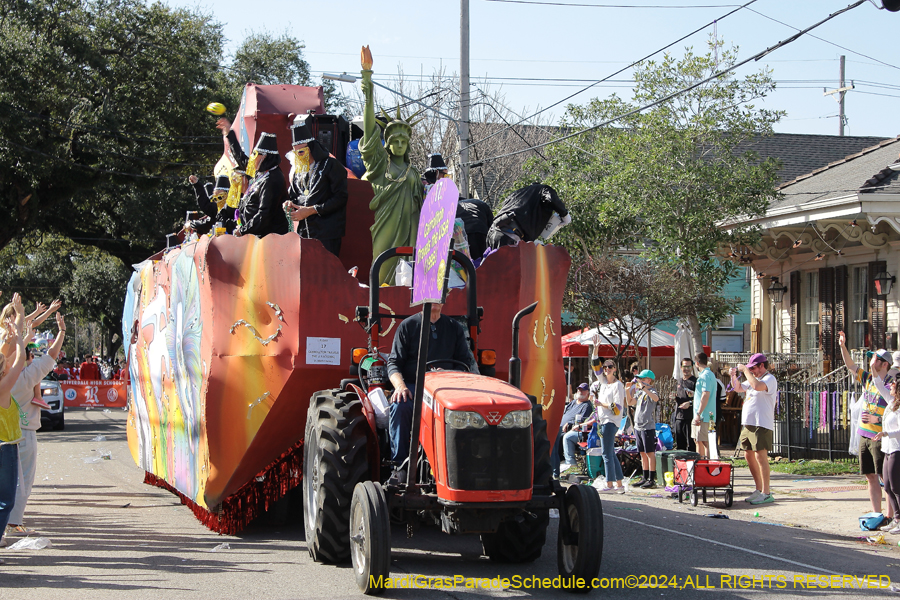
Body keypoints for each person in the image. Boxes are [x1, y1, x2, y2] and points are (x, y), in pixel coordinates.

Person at [386, 304, 476, 475]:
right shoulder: (408, 326)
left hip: (447, 388)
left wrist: (448, 373)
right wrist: (400, 386)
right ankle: (399, 467)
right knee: (401, 405)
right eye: (431, 294)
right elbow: (393, 363)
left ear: (444, 300)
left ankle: (461, 466)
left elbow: (465, 364)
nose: (435, 300)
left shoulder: (453, 327)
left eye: (439, 295)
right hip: (414, 386)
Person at [360, 58, 424, 285]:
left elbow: (422, 206)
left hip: (412, 230)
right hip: (386, 226)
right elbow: (369, 132)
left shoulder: (414, 173)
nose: (399, 145)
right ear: (386, 143)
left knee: (407, 276)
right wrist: (367, 83)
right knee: (382, 268)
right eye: (394, 141)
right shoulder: (380, 166)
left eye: (403, 142)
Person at [6, 313, 65, 538]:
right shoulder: (27, 376)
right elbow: (51, 356)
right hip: (25, 432)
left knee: (7, 478)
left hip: (5, 433)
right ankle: (13, 522)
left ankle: (7, 521)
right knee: (24, 479)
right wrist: (61, 332)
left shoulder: (4, 379)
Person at [839, 332, 894, 520]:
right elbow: (851, 366)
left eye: (875, 360)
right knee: (870, 475)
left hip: (880, 436)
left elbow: (895, 411)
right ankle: (877, 512)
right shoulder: (869, 379)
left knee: (885, 478)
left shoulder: (891, 384)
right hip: (864, 433)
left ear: (884, 364)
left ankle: (890, 514)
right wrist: (842, 346)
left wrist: (877, 420)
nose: (871, 362)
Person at [283, 117, 349, 257]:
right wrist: (289, 204)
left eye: (301, 152)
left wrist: (312, 210)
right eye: (296, 153)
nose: (299, 156)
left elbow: (340, 198)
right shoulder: (297, 171)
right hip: (304, 232)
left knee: (325, 274)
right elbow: (295, 196)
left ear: (311, 148)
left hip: (326, 233)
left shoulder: (331, 165)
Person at [217, 118, 289, 238]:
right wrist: (229, 134)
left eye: (255, 155)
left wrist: (243, 230)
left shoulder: (273, 179)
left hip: (268, 238)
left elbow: (265, 214)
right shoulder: (261, 172)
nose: (252, 158)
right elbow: (242, 159)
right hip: (254, 234)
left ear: (265, 157)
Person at [729, 353, 778, 505]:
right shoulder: (752, 379)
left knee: (760, 456)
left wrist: (745, 371)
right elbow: (737, 388)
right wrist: (733, 376)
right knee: (748, 455)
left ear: (762, 366)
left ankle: (766, 492)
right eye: (751, 369)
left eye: (754, 368)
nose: (753, 371)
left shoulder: (769, 379)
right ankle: (758, 489)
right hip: (748, 423)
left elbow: (757, 386)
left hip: (761, 423)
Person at [0, 296, 28, 555]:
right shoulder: (3, 387)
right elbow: (18, 359)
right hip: (5, 446)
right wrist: (18, 336)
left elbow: (11, 356)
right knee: (5, 500)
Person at [487, 183, 570, 249]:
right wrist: (564, 214)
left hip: (492, 234)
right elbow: (550, 197)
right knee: (511, 269)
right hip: (508, 235)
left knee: (496, 269)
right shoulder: (542, 189)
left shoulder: (515, 195)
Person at [588, 360, 626, 493]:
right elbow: (595, 367)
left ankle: (609, 484)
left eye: (610, 367)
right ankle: (619, 484)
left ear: (615, 369)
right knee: (610, 453)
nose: (607, 369)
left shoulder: (618, 385)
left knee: (606, 453)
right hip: (603, 420)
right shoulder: (603, 382)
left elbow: (618, 407)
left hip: (611, 421)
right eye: (605, 367)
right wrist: (596, 348)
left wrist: (601, 404)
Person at [550, 383, 595, 479]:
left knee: (554, 441)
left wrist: (569, 423)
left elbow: (583, 420)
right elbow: (563, 413)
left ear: (588, 393)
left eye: (583, 390)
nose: (580, 392)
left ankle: (558, 471)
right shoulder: (573, 402)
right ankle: (552, 470)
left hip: (572, 430)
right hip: (559, 426)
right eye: (579, 389)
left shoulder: (587, 405)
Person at [876, 381, 900, 533]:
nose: (891, 385)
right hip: (887, 449)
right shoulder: (891, 402)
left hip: (897, 449)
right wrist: (873, 366)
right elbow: (878, 384)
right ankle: (897, 519)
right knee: (888, 486)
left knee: (896, 486)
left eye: (894, 384)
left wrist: (886, 433)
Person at [692, 352, 717, 459]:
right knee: (699, 440)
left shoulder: (705, 375)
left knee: (704, 441)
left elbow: (705, 394)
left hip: (704, 415)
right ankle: (703, 465)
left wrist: (698, 413)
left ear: (697, 363)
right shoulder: (709, 374)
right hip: (707, 414)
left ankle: (707, 466)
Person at [672, 358, 697, 452]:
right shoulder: (679, 381)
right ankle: (681, 464)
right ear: (681, 367)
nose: (686, 369)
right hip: (679, 416)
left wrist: (690, 403)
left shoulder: (695, 381)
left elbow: (700, 399)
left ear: (692, 367)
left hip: (690, 417)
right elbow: (678, 396)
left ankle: (692, 463)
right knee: (680, 443)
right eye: (684, 366)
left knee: (691, 443)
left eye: (689, 366)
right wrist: (674, 397)